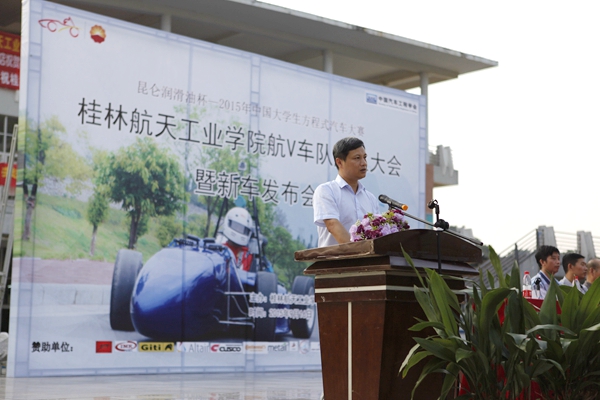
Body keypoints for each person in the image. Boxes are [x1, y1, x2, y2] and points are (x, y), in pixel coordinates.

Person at [313, 137, 380, 247]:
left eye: (365, 157)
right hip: (337, 258)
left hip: (367, 258)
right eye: (357, 158)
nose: (364, 163)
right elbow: (332, 225)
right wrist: (359, 252)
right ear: (339, 162)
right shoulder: (326, 191)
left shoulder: (370, 198)